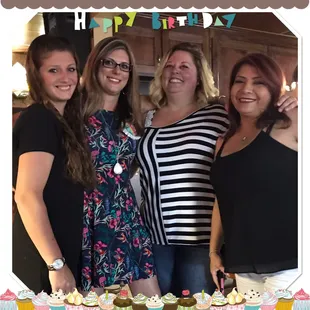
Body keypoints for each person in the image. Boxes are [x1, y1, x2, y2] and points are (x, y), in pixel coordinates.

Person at [136, 43, 298, 297]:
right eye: (169, 65)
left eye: (184, 66)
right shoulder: (146, 117)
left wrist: (298, 95)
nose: (175, 71)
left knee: (197, 301)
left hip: (202, 239)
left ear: (200, 75)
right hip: (155, 234)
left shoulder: (219, 114)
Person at [13, 34, 95, 294]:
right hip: (43, 261)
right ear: (37, 76)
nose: (66, 77)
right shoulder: (40, 119)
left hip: (55, 253)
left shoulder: (60, 121)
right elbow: (27, 196)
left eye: (71, 69)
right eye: (53, 70)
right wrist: (56, 265)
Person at [209, 53, 298, 294]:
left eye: (259, 82)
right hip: (243, 265)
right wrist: (214, 252)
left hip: (291, 264)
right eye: (239, 80)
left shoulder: (291, 124)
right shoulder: (223, 142)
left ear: (274, 89)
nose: (246, 88)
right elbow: (222, 200)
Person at [79, 37, 161, 297]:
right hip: (87, 216)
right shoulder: (74, 110)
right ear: (95, 65)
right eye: (109, 63)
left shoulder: (137, 111)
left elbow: (183, 104)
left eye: (124, 67)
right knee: (89, 300)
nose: (117, 72)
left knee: (153, 300)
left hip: (125, 215)